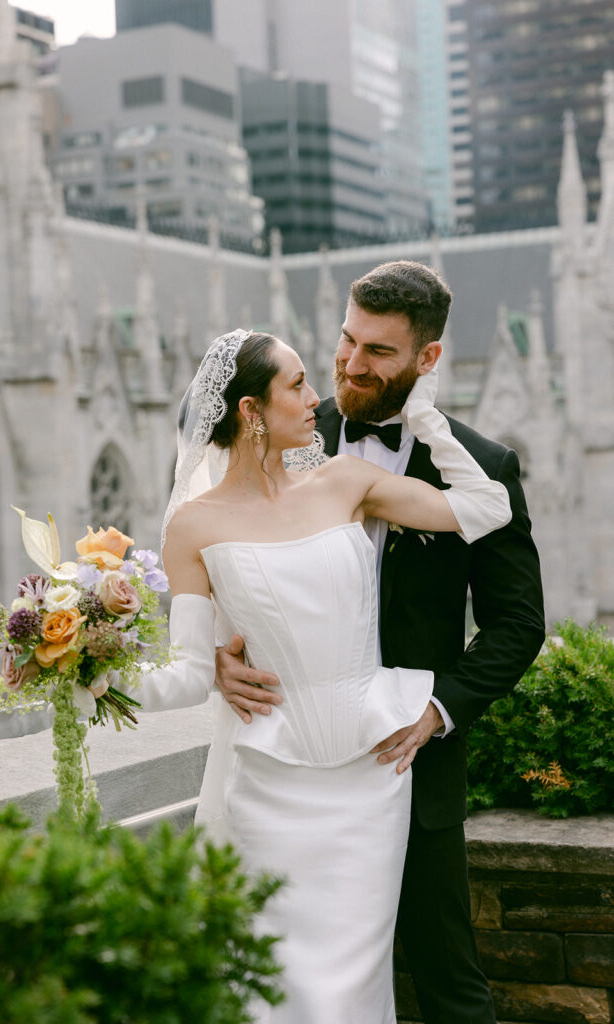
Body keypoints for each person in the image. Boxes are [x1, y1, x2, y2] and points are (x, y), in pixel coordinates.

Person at [125, 321, 512, 1024]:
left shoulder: (348, 482)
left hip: (371, 778)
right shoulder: (193, 526)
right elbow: (185, 676)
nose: (317, 397)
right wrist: (94, 677)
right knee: (267, 988)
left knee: (352, 994)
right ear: (251, 412)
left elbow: (489, 509)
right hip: (267, 781)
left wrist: (424, 412)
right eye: (298, 384)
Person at [215, 262, 546, 1024]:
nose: (351, 364)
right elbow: (227, 562)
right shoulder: (282, 434)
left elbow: (518, 624)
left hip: (411, 764)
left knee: (448, 980)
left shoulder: (482, 467)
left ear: (428, 359)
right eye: (345, 339)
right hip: (290, 769)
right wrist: (219, 655)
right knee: (280, 976)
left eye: (379, 352)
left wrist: (437, 711)